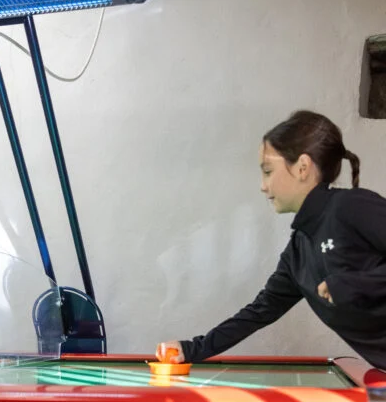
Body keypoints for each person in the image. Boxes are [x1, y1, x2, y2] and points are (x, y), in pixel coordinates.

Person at [157, 110, 386, 370]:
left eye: (268, 171)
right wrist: (191, 349)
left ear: (302, 168)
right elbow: (259, 312)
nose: (262, 186)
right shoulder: (298, 252)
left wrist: (354, 284)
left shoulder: (351, 206)